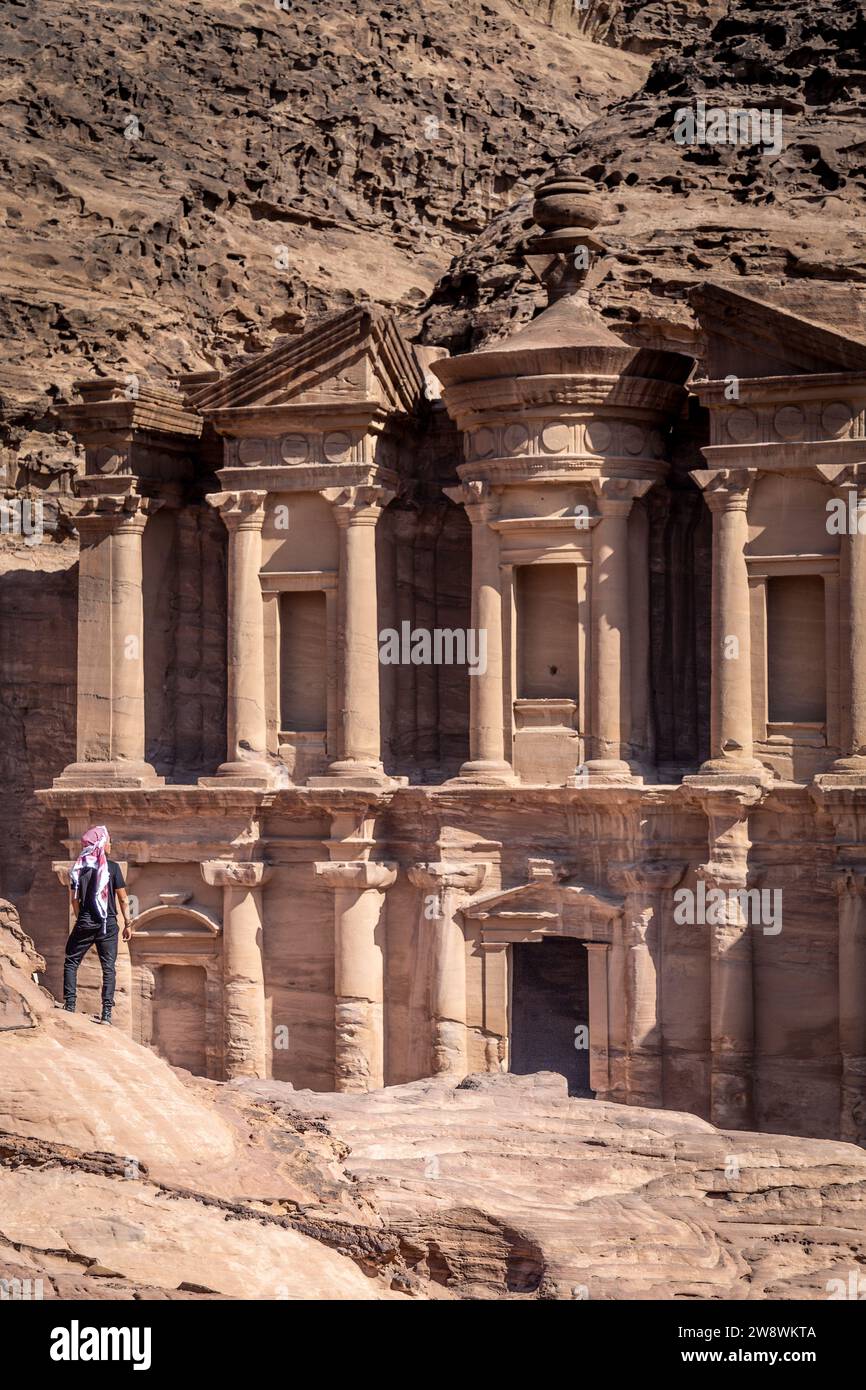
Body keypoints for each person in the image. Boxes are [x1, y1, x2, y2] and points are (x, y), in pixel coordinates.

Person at [63, 825, 132, 1025]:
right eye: (108, 840)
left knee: (71, 961)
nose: (110, 844)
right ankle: (106, 1015)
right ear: (101, 843)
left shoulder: (78, 867)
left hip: (86, 920)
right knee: (108, 967)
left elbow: (74, 900)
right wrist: (128, 923)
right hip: (108, 923)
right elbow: (124, 899)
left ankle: (70, 1005)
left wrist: (81, 919)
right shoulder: (112, 867)